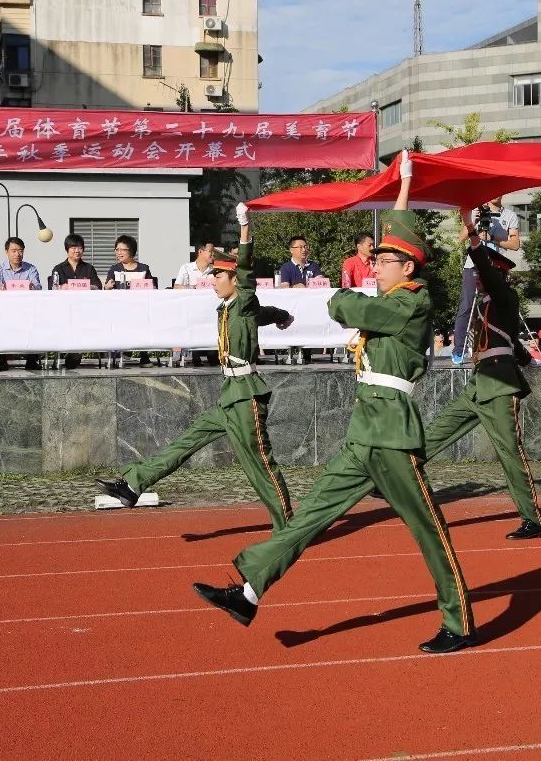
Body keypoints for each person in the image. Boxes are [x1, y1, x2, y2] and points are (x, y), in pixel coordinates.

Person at [192, 151, 477, 655]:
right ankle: (251, 589)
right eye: (377, 259)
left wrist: (404, 191)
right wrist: (403, 187)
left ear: (407, 265)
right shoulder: (392, 299)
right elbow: (350, 304)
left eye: (384, 260)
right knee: (310, 516)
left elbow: (345, 305)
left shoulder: (414, 299)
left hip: (391, 432)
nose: (375, 264)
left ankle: (458, 621)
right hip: (364, 430)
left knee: (428, 529)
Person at [96, 203, 297, 528]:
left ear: (235, 279)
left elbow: (249, 280)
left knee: (260, 463)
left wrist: (244, 227)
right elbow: (266, 313)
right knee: (188, 440)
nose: (213, 279)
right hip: (230, 395)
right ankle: (133, 484)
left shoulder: (243, 299)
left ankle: (287, 525)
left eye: (219, 275)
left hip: (246, 397)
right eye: (214, 273)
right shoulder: (233, 308)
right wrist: (282, 317)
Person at [423, 207, 541, 540]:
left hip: (499, 386)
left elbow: (485, 270)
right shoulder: (489, 302)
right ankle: (396, 478)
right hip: (483, 381)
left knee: (509, 452)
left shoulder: (503, 294)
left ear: (497, 272)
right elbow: (509, 342)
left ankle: (533, 518)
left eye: (484, 273)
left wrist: (472, 232)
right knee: (436, 433)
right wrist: (523, 358)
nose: (478, 278)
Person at [452, 198, 521, 365]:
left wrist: (493, 238)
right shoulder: (476, 211)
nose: (494, 197)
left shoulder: (509, 215)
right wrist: (472, 222)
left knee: (502, 305)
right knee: (467, 306)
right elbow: (460, 239)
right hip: (473, 265)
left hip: (496, 266)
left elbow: (515, 244)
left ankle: (513, 348)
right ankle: (458, 350)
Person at [0, 237, 43, 371]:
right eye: (13, 251)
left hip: (27, 309)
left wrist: (31, 287)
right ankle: (2, 360)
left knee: (35, 324)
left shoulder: (30, 269)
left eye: (20, 251)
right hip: (5, 310)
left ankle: (32, 360)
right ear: (6, 252)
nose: (17, 254)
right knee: (0, 326)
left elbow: (38, 286)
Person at [51, 233, 103, 369]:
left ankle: (75, 353)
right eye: (73, 247)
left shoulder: (88, 268)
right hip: (64, 310)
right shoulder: (58, 269)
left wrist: (86, 286)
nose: (77, 251)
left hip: (85, 309)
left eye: (80, 248)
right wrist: (63, 287)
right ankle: (70, 352)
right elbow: (53, 287)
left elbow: (98, 286)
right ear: (67, 250)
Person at [104, 234, 156, 367]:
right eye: (117, 249)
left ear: (131, 251)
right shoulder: (114, 269)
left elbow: (152, 286)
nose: (119, 253)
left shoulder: (143, 268)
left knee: (144, 320)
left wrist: (151, 286)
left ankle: (143, 356)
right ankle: (118, 353)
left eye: (123, 250)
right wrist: (107, 287)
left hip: (140, 308)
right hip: (119, 308)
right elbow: (106, 287)